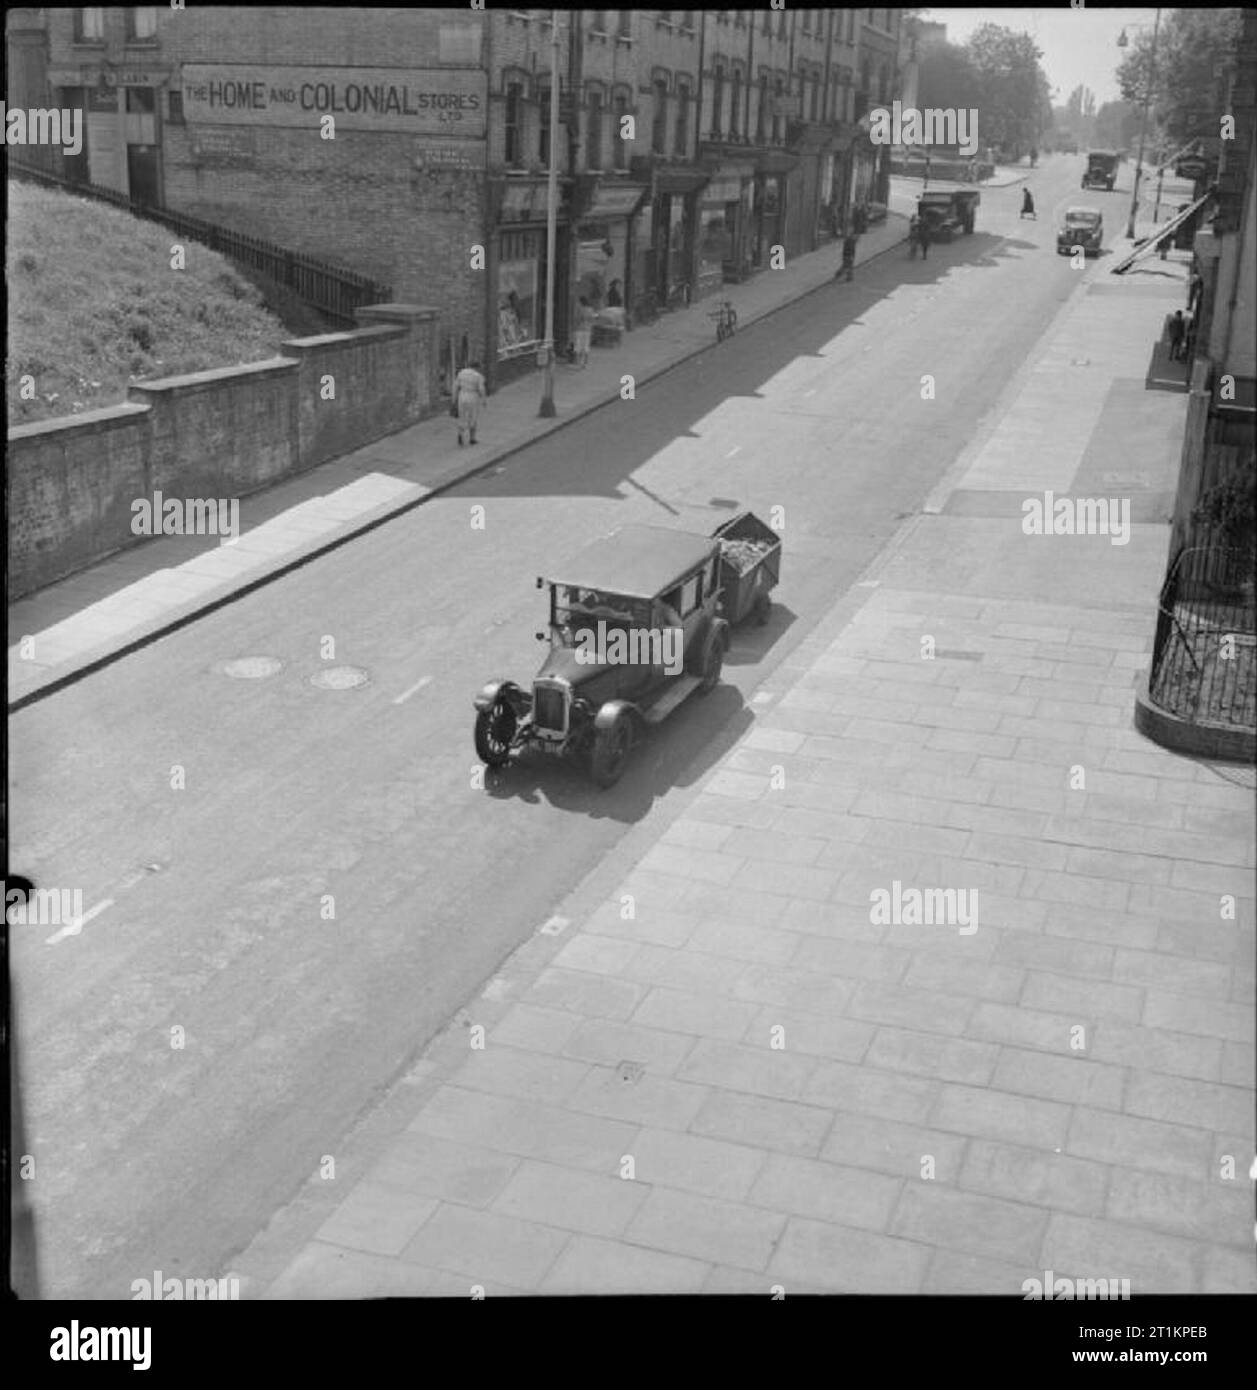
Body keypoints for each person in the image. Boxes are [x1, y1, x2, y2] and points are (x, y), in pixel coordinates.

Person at [453, 359, 486, 446]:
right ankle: (472, 438)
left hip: (462, 395)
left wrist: (454, 399)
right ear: (477, 367)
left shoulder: (461, 373)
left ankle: (460, 433)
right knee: (473, 416)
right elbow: (481, 389)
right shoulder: (478, 376)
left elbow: (456, 386)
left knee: (462, 415)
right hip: (472, 396)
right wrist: (483, 399)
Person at [573, 296, 594, 368]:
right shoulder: (590, 309)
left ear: (581, 302)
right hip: (587, 329)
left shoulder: (580, 309)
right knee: (586, 346)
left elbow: (577, 319)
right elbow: (592, 320)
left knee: (578, 346)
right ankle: (585, 362)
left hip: (579, 329)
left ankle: (578, 362)